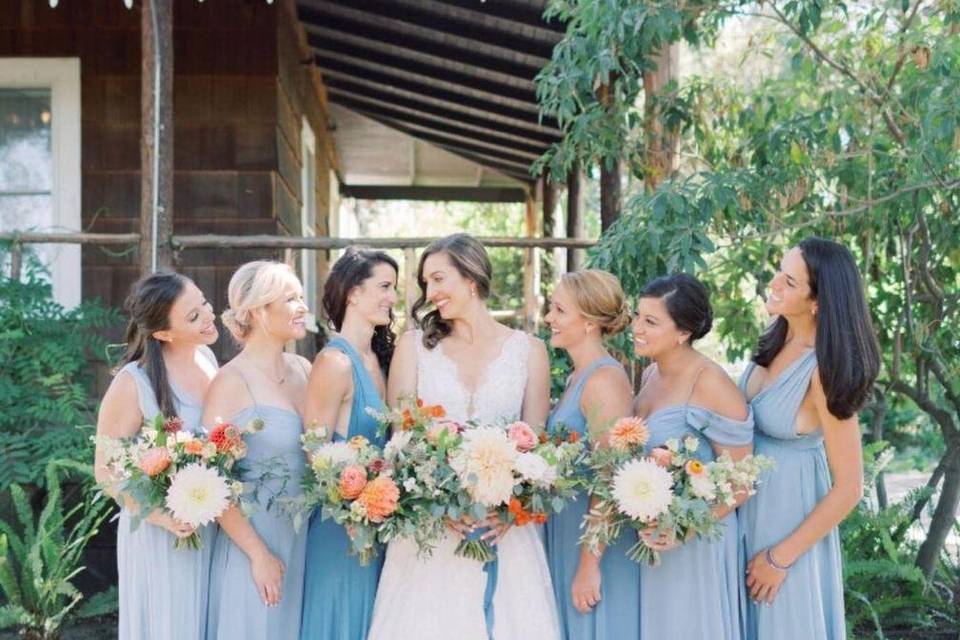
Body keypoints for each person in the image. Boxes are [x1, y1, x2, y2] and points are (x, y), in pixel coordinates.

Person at [368, 233, 561, 640]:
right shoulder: (414, 347)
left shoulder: (530, 351)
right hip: (433, 529)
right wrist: (436, 500)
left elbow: (537, 447)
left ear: (471, 277)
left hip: (503, 528)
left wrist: (512, 510)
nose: (430, 292)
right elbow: (400, 440)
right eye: (426, 283)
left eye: (438, 279)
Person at [739, 238, 879, 639]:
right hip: (746, 514)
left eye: (789, 281)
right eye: (777, 272)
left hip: (787, 526)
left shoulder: (825, 368)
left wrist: (781, 557)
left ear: (817, 301)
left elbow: (850, 487)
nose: (773, 283)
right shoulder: (776, 337)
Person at [94, 270, 219, 639]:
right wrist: (164, 518)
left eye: (205, 303)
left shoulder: (208, 359)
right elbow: (106, 472)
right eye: (194, 316)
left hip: (209, 524)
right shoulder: (134, 382)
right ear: (164, 333)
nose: (209, 316)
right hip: (161, 534)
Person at [632, 273, 754, 639]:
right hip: (656, 538)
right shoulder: (651, 373)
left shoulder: (711, 383)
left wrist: (682, 529)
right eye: (638, 316)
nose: (637, 327)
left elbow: (742, 482)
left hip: (697, 542)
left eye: (651, 321)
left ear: (683, 332)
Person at [204, 261, 311, 639]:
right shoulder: (229, 381)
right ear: (258, 311)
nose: (303, 306)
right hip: (255, 545)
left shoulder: (303, 369)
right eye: (291, 298)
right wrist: (258, 555)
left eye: (301, 296)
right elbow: (211, 482)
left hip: (305, 538)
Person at [299, 248, 398, 640]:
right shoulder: (334, 363)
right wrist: (355, 508)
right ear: (353, 293)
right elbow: (314, 452)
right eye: (384, 286)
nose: (392, 297)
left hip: (380, 520)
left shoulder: (381, 359)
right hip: (340, 526)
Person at [542, 270, 639, 639]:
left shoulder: (604, 380)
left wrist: (588, 563)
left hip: (592, 541)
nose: (549, 318)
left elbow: (610, 475)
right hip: (566, 528)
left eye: (559, 310)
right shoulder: (575, 378)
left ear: (588, 322)